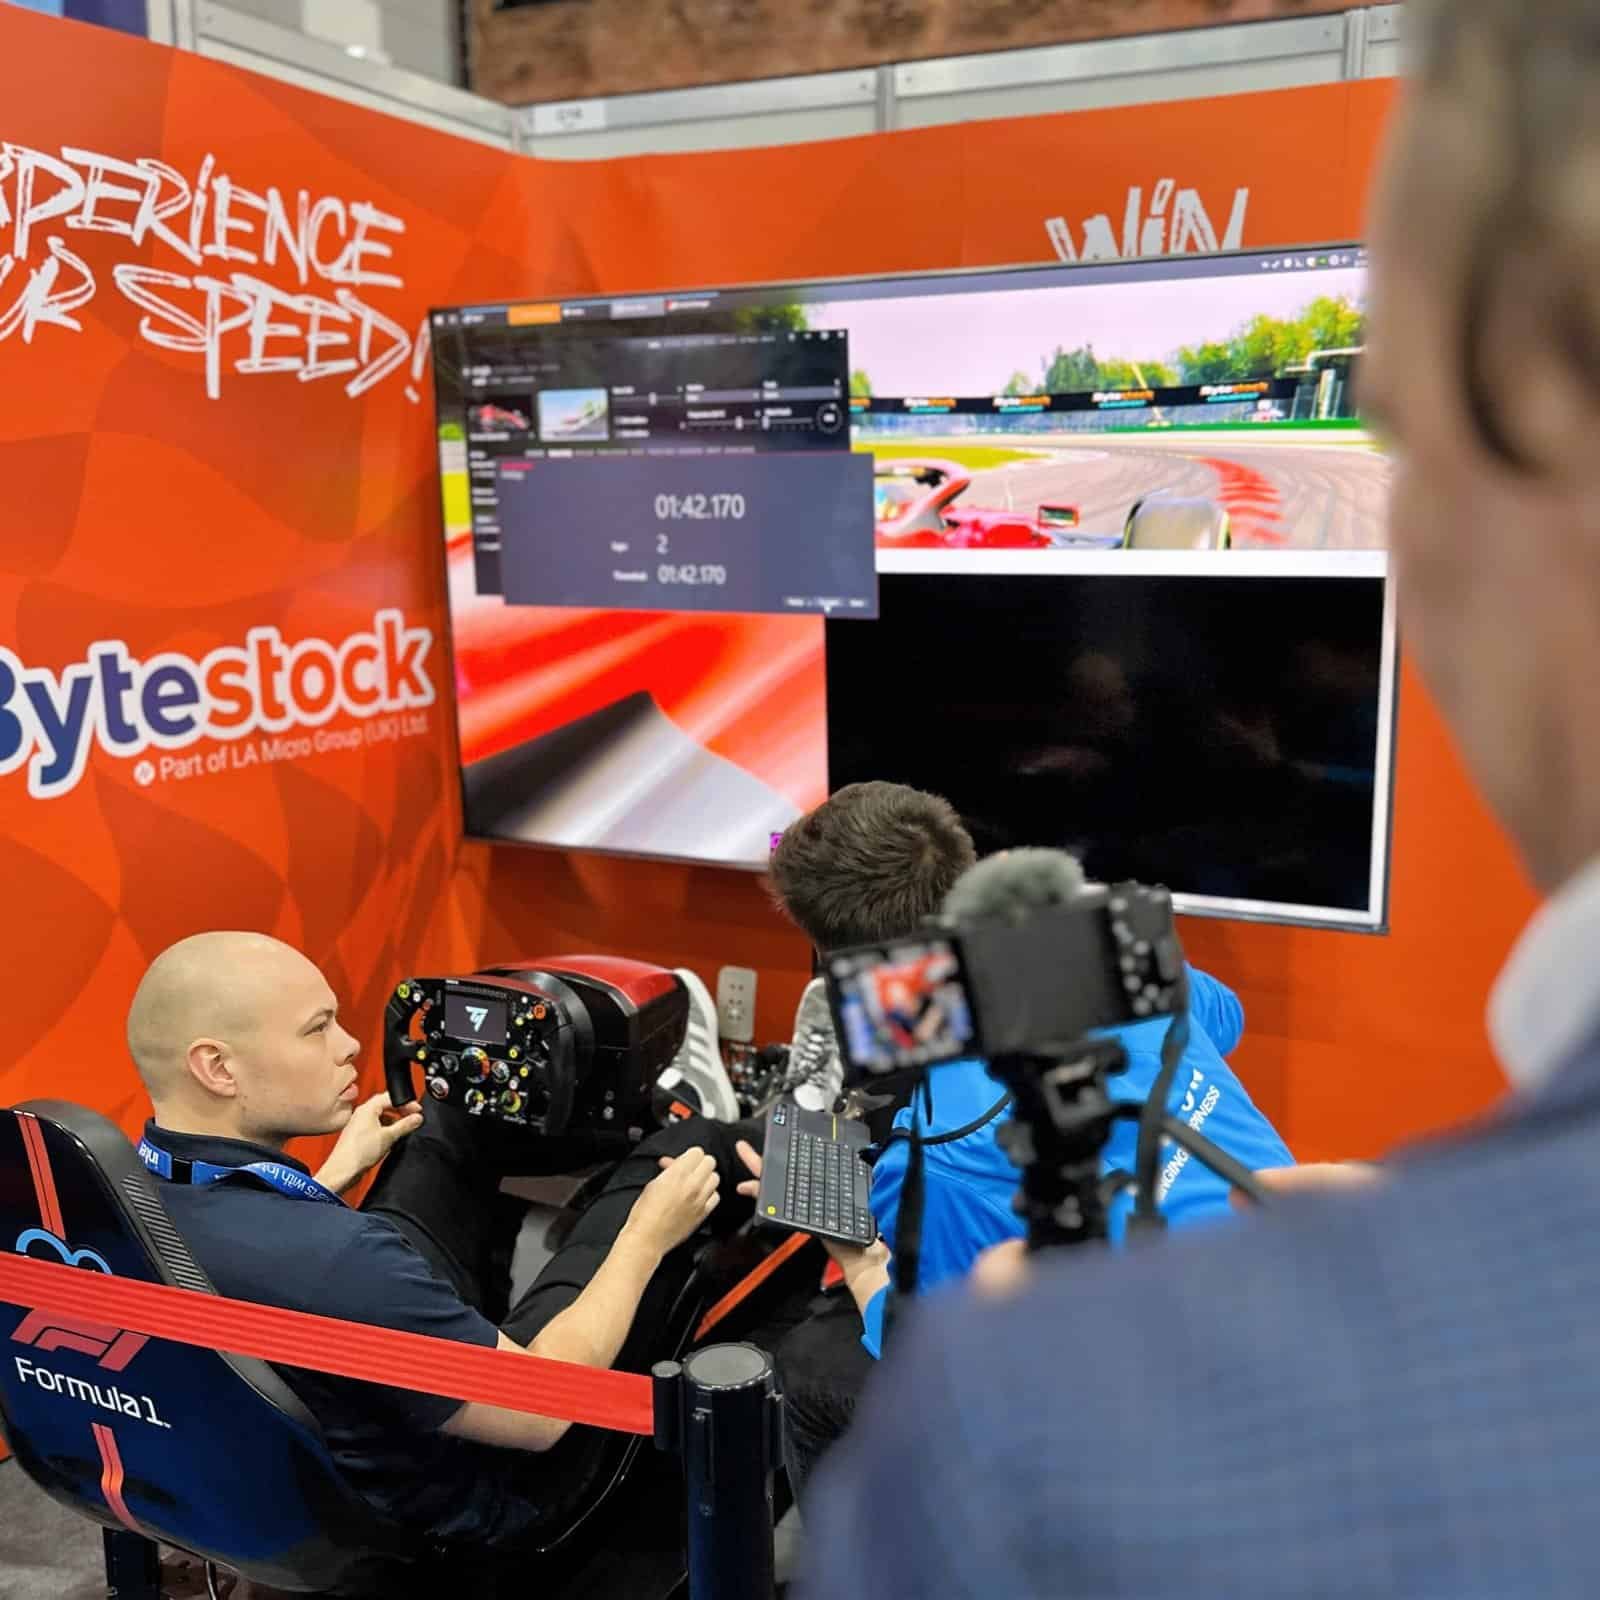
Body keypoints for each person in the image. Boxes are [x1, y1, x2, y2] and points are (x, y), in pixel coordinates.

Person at [800, 5, 1600, 1594]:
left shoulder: (1017, 1423)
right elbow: (1205, 1021)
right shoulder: (1119, 955)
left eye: (1401, 436)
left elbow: (859, 1271)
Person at [125, 931, 757, 1550]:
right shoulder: (341, 1260)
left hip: (285, 1469)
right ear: (218, 1068)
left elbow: (250, 1254)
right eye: (317, 1030)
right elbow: (542, 1413)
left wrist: (327, 1181)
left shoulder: (117, 1197)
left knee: (444, 1118)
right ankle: (719, 1123)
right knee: (686, 1151)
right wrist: (645, 1237)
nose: (348, 1046)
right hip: (486, 1491)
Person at [763, 783, 1293, 1499]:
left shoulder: (934, 1153)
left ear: (835, 961)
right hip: (1300, 1330)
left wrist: (857, 1261)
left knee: (809, 1367)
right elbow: (1224, 1019)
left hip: (1161, 1465)